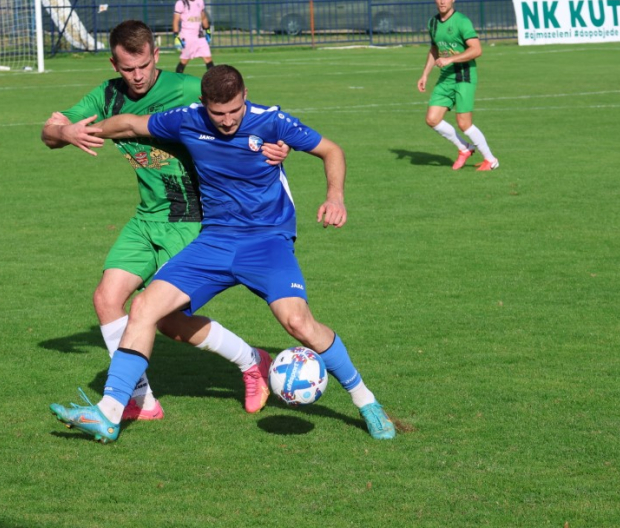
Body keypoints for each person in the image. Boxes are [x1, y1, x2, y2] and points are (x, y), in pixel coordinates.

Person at [50, 64, 396, 443]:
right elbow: (132, 124)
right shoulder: (187, 119)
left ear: (245, 95)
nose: (228, 120)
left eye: (235, 110)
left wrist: (335, 197)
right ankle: (109, 413)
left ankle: (367, 402)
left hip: (267, 242)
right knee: (145, 308)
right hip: (214, 241)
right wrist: (80, 131)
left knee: (298, 324)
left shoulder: (272, 122)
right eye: (218, 114)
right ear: (204, 105)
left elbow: (331, 151)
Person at [41, 20, 289, 421]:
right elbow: (49, 131)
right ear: (114, 63)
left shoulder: (189, 90)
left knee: (169, 322)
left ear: (156, 55)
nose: (136, 76)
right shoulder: (107, 96)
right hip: (147, 217)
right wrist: (65, 131)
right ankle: (140, 401)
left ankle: (251, 361)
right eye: (127, 68)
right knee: (107, 298)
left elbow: (244, 118)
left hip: (192, 218)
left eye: (143, 65)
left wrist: (276, 149)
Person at [417, 0, 499, 171]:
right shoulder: (433, 22)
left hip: (464, 76)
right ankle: (464, 148)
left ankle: (491, 159)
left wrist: (451, 60)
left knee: (464, 123)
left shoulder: (462, 21)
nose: (442, 2)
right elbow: (434, 49)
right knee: (432, 119)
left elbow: (477, 50)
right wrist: (425, 74)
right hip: (446, 77)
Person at [171, 0, 213, 74]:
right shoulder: (181, 3)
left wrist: (208, 32)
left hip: (199, 35)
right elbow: (175, 21)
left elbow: (203, 17)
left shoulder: (200, 1)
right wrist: (176, 37)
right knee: (184, 60)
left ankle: (212, 83)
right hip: (187, 36)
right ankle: (177, 81)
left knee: (208, 58)